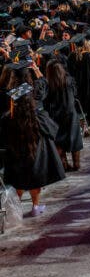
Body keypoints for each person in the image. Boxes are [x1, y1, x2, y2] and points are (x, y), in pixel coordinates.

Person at [0, 84, 65, 217]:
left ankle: (15, 209)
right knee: (35, 181)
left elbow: (3, 140)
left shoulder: (7, 119)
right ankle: (35, 207)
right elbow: (53, 131)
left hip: (16, 158)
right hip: (36, 157)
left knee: (19, 182)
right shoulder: (39, 116)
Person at [43, 60, 84, 172]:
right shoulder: (69, 80)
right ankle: (77, 164)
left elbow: (45, 102)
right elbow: (75, 93)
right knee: (75, 140)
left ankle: (64, 165)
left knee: (59, 142)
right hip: (70, 114)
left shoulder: (48, 84)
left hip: (55, 117)